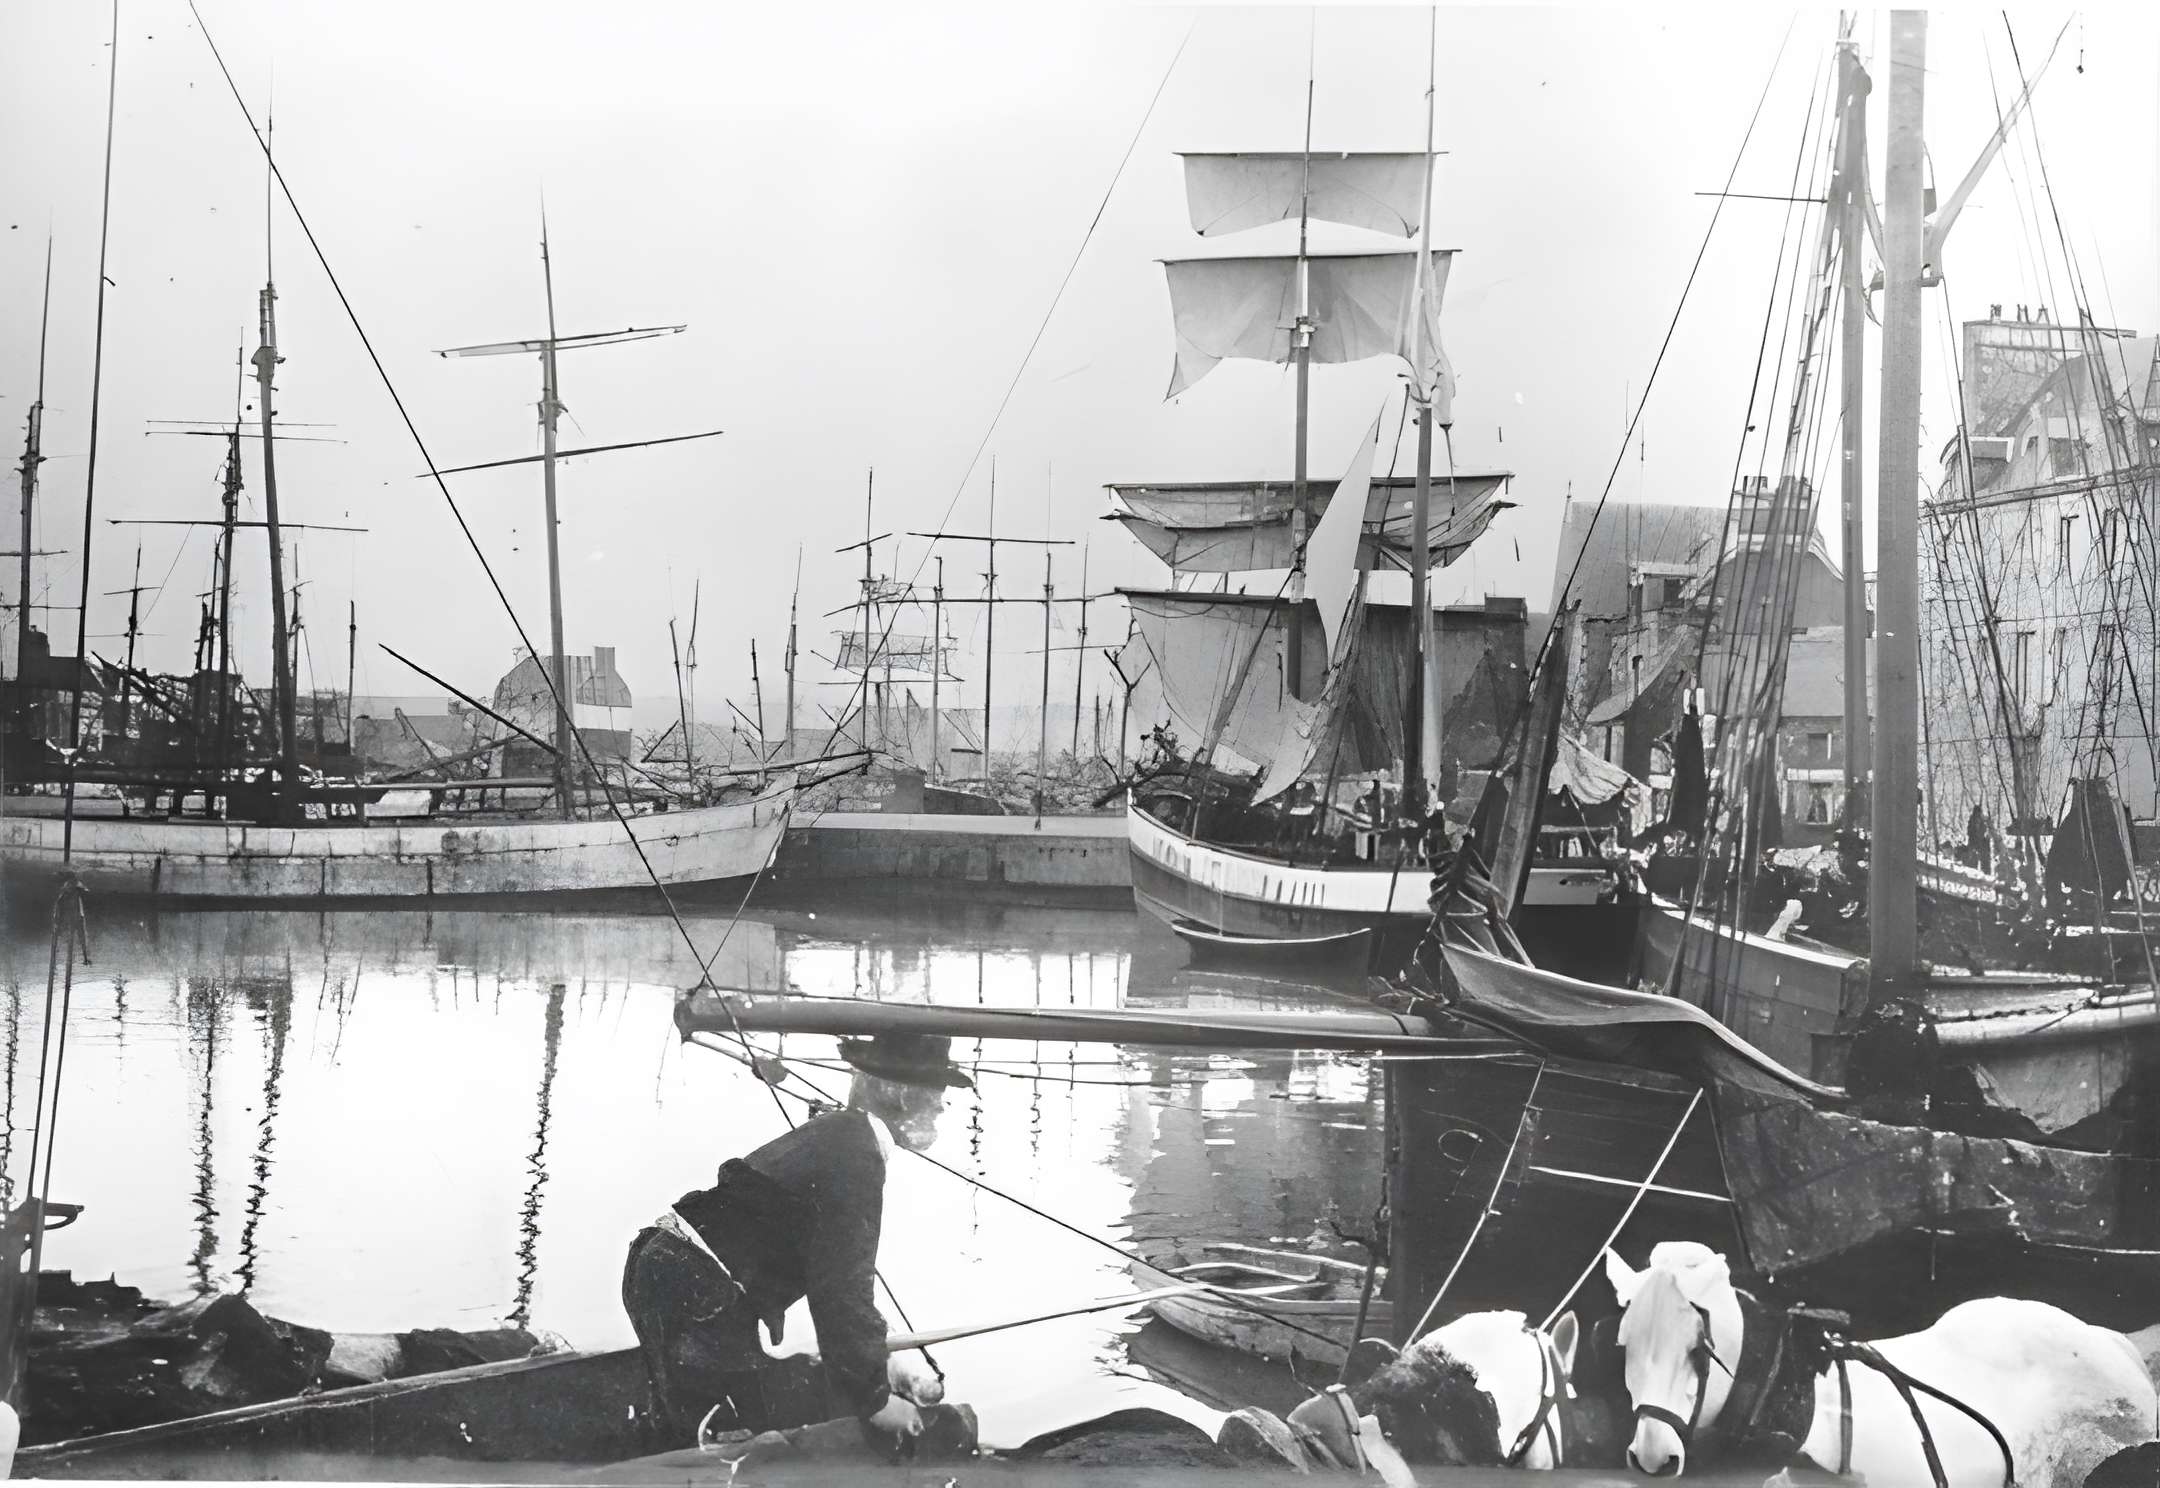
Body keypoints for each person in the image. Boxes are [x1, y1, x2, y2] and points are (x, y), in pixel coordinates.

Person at [621, 1032, 971, 1448]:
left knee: (687, 1415)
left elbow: (826, 1275)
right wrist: (876, 1400)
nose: (941, 1106)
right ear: (897, 1093)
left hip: (662, 1261)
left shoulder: (839, 1134)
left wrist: (879, 1364)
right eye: (935, 1090)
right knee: (716, 1437)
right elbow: (841, 1289)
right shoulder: (856, 1157)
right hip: (696, 1285)